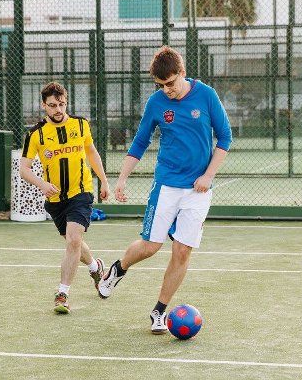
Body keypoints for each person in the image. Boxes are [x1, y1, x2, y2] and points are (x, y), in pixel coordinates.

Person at [98, 46, 232, 334]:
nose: (166, 90)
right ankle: (118, 269)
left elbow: (225, 137)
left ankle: (159, 311)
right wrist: (121, 179)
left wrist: (208, 175)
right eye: (160, 85)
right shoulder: (157, 103)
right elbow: (140, 142)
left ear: (182, 73)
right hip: (166, 185)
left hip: (198, 190)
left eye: (170, 83)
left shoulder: (206, 96)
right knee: (150, 247)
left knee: (182, 251)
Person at [20, 81, 110, 314]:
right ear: (44, 106)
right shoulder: (35, 134)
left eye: (61, 104)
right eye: (52, 105)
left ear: (66, 102)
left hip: (81, 192)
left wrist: (104, 181)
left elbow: (91, 152)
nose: (58, 109)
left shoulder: (80, 125)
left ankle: (62, 294)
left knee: (73, 240)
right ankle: (95, 266)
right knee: (74, 242)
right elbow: (24, 169)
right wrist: (41, 184)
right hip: (55, 199)